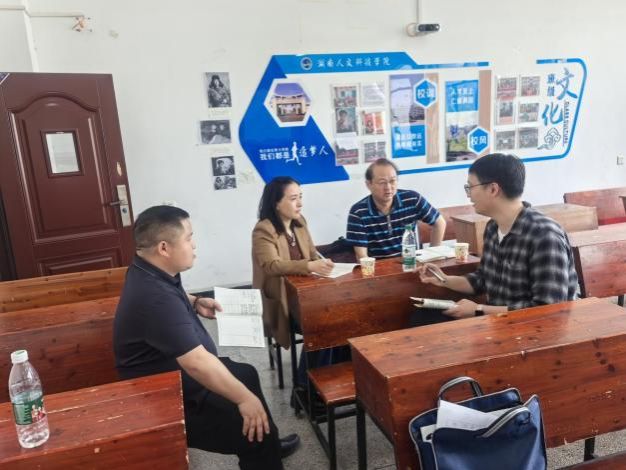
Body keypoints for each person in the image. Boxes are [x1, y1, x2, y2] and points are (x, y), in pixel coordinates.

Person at [113, 206, 300, 470]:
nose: (194, 245)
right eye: (189, 238)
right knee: (249, 423)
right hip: (166, 397)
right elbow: (197, 363)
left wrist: (194, 301)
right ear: (164, 248)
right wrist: (244, 400)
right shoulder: (154, 297)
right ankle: (263, 446)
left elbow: (171, 296)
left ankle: (270, 444)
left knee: (246, 373)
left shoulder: (147, 268)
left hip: (177, 377)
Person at [419, 153, 578, 318]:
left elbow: (548, 310)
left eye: (470, 187)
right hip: (498, 324)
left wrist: (478, 309)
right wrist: (444, 280)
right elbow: (482, 280)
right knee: (422, 316)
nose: (469, 195)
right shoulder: (492, 227)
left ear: (493, 189)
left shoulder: (545, 236)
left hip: (536, 330)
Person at [252, 177, 336, 391]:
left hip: (307, 295)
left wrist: (321, 263)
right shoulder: (263, 230)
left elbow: (311, 254)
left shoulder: (300, 222)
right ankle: (304, 387)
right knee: (321, 326)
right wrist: (309, 265)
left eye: (300, 197)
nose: (300, 203)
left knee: (342, 317)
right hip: (283, 301)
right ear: (276, 203)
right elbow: (271, 265)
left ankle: (330, 375)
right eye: (293, 199)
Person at [346, 158, 446, 259]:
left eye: (392, 181)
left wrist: (432, 255)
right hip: (378, 266)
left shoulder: (412, 199)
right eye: (382, 182)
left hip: (411, 262)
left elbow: (440, 223)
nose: (388, 187)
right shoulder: (358, 212)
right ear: (369, 184)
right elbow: (362, 256)